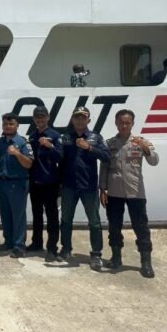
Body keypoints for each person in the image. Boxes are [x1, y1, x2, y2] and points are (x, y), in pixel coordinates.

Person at [100, 109, 159, 279]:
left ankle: (146, 262)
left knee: (141, 227)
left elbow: (154, 161)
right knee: (114, 226)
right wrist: (102, 188)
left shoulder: (140, 142)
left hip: (135, 192)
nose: (124, 125)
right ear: (116, 123)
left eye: (127, 122)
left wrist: (146, 149)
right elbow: (104, 167)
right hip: (114, 191)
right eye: (121, 122)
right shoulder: (109, 143)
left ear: (132, 124)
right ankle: (116, 257)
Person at [59, 106, 111, 270]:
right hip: (69, 186)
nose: (80, 120)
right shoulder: (65, 137)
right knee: (66, 220)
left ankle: (96, 254)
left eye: (83, 117)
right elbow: (60, 160)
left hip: (88, 186)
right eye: (77, 117)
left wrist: (88, 147)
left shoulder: (95, 137)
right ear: (72, 119)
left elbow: (107, 156)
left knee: (94, 221)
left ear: (88, 120)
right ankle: (66, 249)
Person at [0, 113, 34, 258]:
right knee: (5, 214)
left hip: (18, 183)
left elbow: (29, 163)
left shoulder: (23, 142)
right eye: (5, 124)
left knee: (18, 215)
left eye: (11, 124)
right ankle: (9, 241)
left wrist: (17, 153)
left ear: (17, 125)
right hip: (2, 182)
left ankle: (19, 245)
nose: (8, 127)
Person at [27, 106, 63, 261]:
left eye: (42, 117)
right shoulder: (32, 136)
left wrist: (51, 146)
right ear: (34, 119)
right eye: (37, 117)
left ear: (48, 118)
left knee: (52, 216)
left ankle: (52, 248)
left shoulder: (55, 135)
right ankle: (36, 242)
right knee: (36, 215)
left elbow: (61, 157)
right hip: (35, 182)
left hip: (50, 183)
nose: (40, 119)